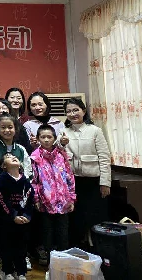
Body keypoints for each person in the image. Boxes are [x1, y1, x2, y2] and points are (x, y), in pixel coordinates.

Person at [0, 114, 32, 274]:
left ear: (16, 129)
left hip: (17, 200)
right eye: (3, 127)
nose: (7, 130)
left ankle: (19, 260)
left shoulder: (21, 149)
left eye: (10, 127)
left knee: (17, 232)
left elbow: (28, 171)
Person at [63, 97, 111, 249]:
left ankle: (98, 249)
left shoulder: (95, 131)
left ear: (83, 111)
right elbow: (58, 153)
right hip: (72, 182)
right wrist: (61, 143)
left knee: (95, 216)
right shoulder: (63, 132)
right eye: (69, 111)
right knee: (76, 217)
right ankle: (77, 248)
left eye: (75, 110)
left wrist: (105, 182)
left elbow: (104, 157)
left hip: (93, 181)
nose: (72, 114)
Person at [31, 125, 76, 266]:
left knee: (63, 235)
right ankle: (51, 265)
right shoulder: (35, 157)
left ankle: (63, 265)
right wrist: (36, 199)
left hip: (63, 202)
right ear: (38, 139)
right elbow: (34, 181)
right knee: (47, 236)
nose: (46, 140)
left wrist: (72, 198)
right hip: (46, 204)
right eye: (43, 137)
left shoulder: (61, 155)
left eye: (49, 137)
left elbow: (69, 177)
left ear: (55, 138)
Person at [0, 153, 35, 280]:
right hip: (6, 220)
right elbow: (2, 201)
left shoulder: (25, 181)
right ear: (3, 166)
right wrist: (13, 216)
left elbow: (30, 201)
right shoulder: (1, 180)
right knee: (6, 246)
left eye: (14, 156)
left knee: (21, 246)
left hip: (23, 221)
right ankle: (7, 271)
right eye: (8, 157)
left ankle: (21, 271)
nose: (12, 157)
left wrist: (26, 216)